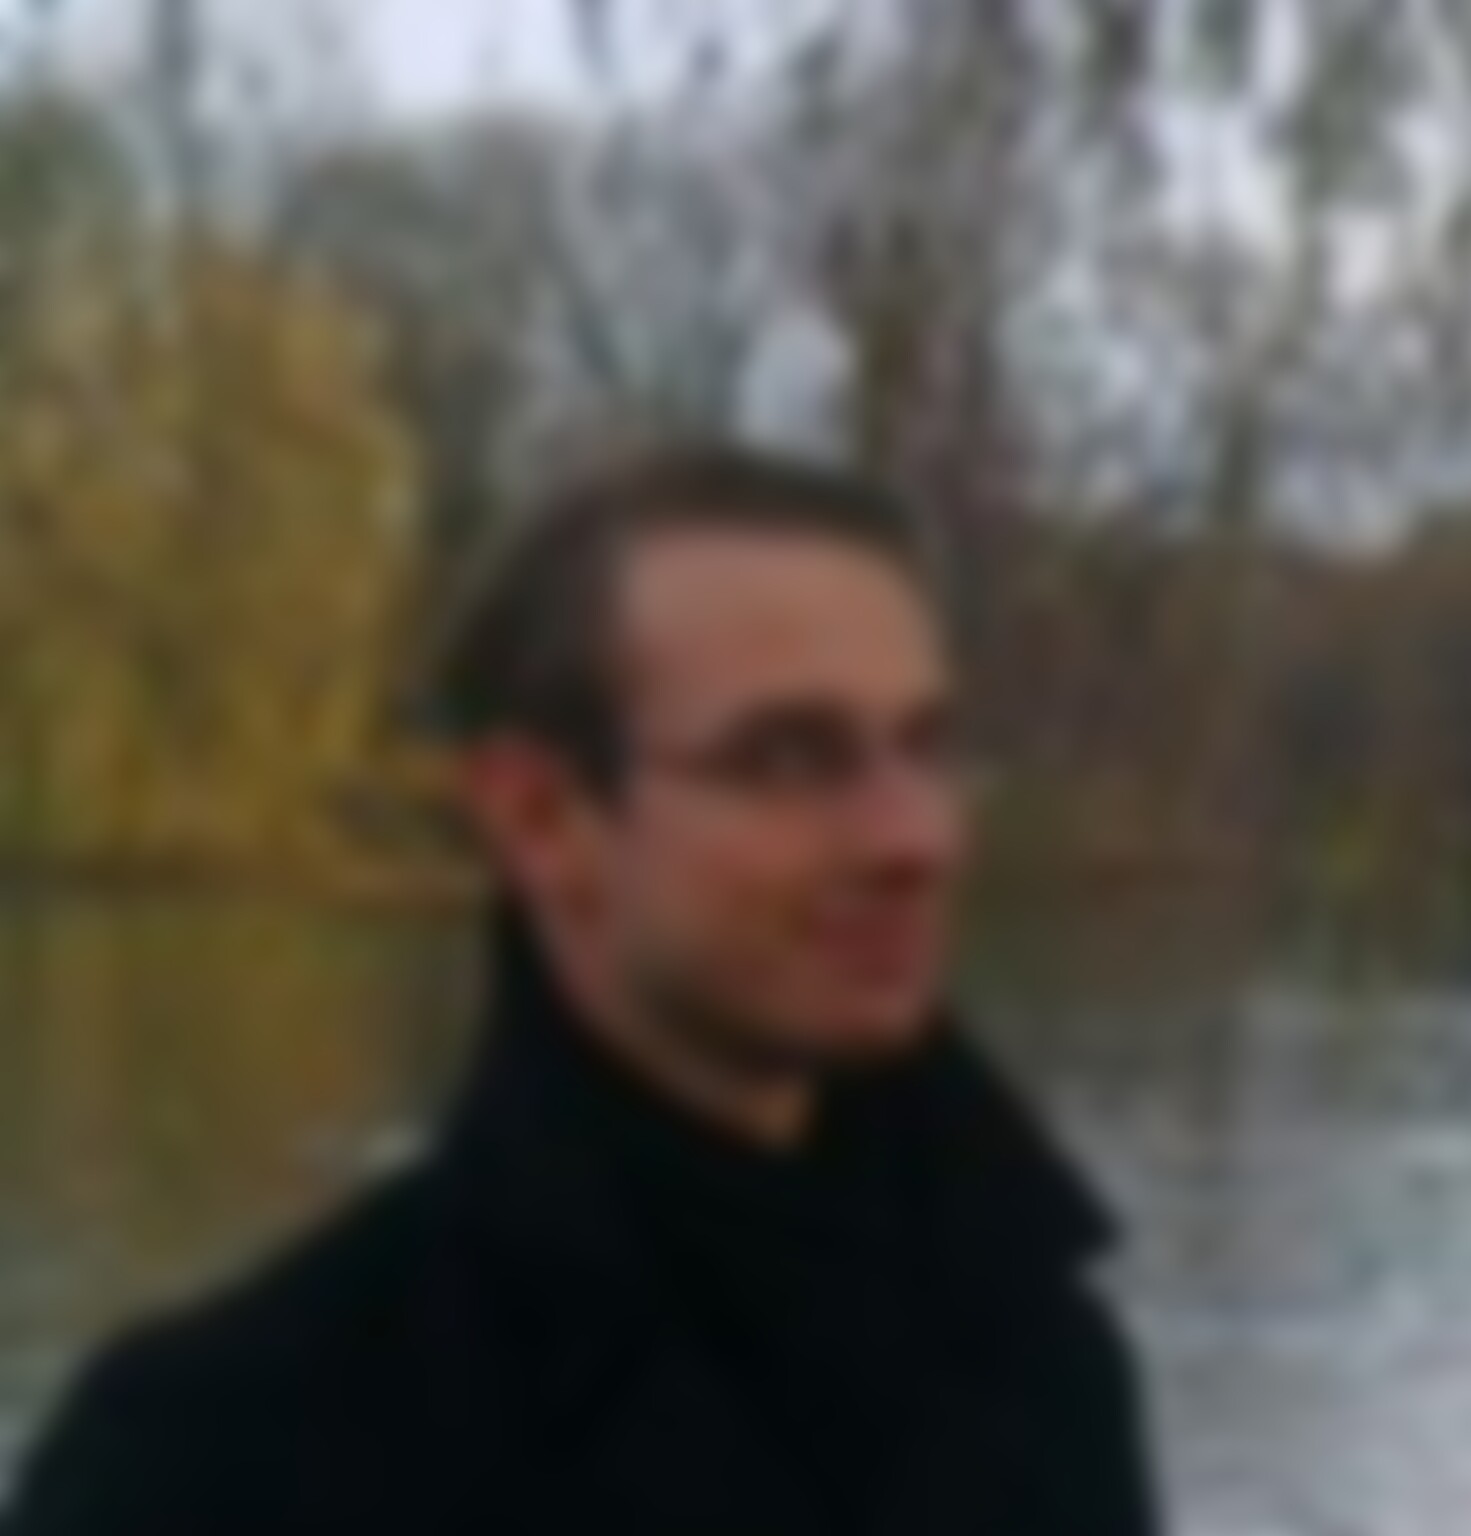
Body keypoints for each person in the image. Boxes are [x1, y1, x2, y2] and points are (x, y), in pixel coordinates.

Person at [5, 444, 1162, 1535]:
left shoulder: (1043, 1355)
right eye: (790, 758)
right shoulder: (219, 1452)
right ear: (541, 819)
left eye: (926, 748)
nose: (913, 839)